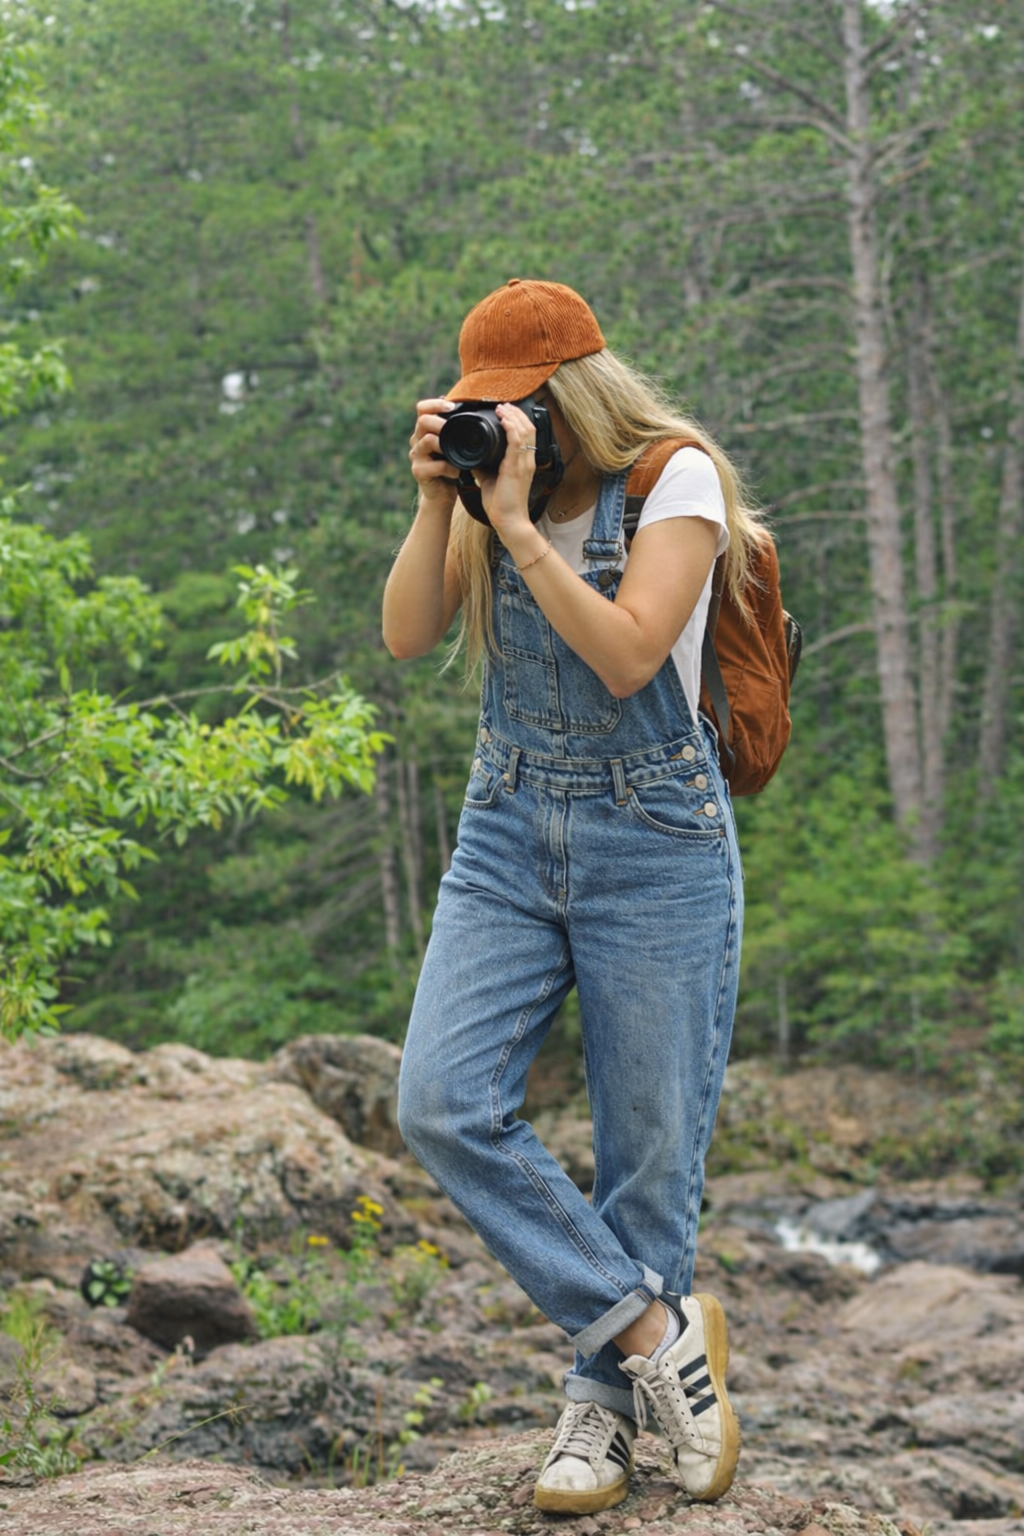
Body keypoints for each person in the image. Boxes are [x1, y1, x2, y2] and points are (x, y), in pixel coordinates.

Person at [383, 278, 764, 1515]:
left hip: (655, 837)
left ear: (573, 393)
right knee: (440, 1100)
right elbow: (405, 633)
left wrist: (522, 528)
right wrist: (440, 499)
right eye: (478, 410)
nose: (501, 426)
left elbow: (627, 656)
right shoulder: (490, 494)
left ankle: (599, 1415)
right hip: (508, 825)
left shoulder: (676, 480)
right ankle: (655, 1339)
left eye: (517, 408)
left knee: (647, 1159)